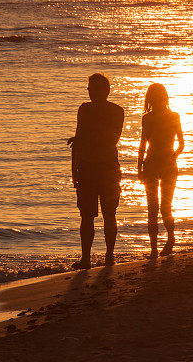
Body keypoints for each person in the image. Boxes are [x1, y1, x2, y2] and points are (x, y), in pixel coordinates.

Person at [68, 73, 124, 269]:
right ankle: (86, 258)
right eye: (89, 89)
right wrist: (74, 171)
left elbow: (111, 140)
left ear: (106, 90)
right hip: (86, 169)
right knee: (86, 216)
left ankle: (109, 256)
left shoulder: (117, 111)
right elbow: (78, 139)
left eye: (95, 89)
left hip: (108, 169)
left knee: (110, 214)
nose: (91, 93)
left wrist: (84, 139)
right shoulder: (84, 109)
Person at [137, 83, 184, 257]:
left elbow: (181, 144)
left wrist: (139, 166)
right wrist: (139, 165)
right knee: (159, 207)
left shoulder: (157, 117)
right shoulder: (149, 118)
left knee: (158, 207)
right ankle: (157, 247)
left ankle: (164, 244)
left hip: (159, 165)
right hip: (159, 165)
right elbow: (181, 144)